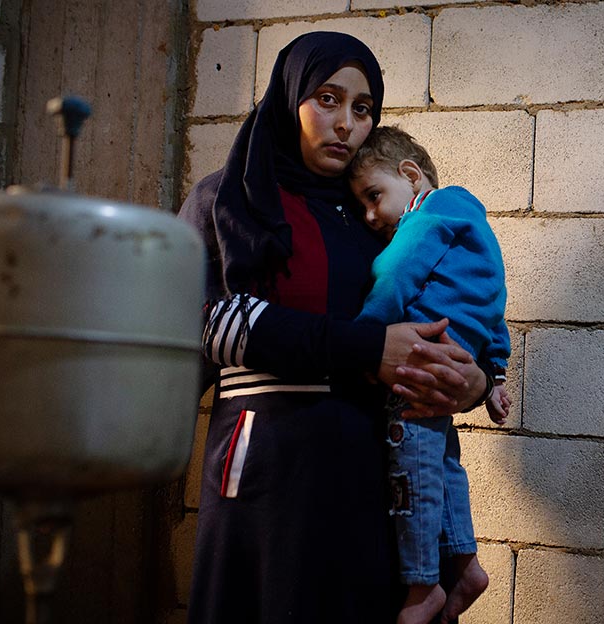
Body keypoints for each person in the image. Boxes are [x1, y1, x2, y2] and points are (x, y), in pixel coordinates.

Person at [177, 32, 493, 623]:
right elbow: (203, 324)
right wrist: (368, 347)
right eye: (327, 98)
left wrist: (472, 383)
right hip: (269, 476)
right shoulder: (229, 199)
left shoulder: (374, 214)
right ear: (289, 97)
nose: (345, 123)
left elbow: (435, 320)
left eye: (363, 107)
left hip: (374, 479)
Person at [347, 126, 511, 624]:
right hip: (457, 366)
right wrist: (496, 374)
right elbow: (495, 309)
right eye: (363, 208)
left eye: (374, 197)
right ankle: (465, 565)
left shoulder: (427, 217)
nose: (372, 217)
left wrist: (362, 338)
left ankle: (423, 588)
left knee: (410, 472)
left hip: (418, 366)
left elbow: (394, 275)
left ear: (410, 176)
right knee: (441, 466)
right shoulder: (475, 230)